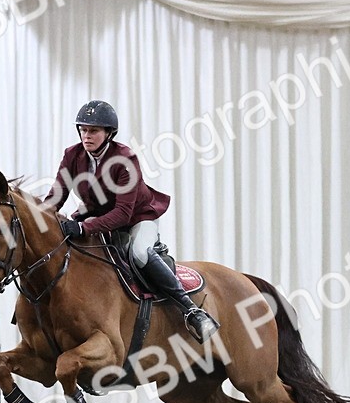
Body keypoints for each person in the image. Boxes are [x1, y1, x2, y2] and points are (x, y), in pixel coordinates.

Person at [42, 100, 220, 343]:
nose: (87, 135)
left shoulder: (125, 158)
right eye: (83, 130)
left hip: (137, 217)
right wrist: (39, 220)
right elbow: (57, 195)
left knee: (138, 253)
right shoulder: (72, 155)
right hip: (97, 216)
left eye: (93, 131)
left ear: (108, 133)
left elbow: (122, 214)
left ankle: (191, 310)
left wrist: (83, 227)